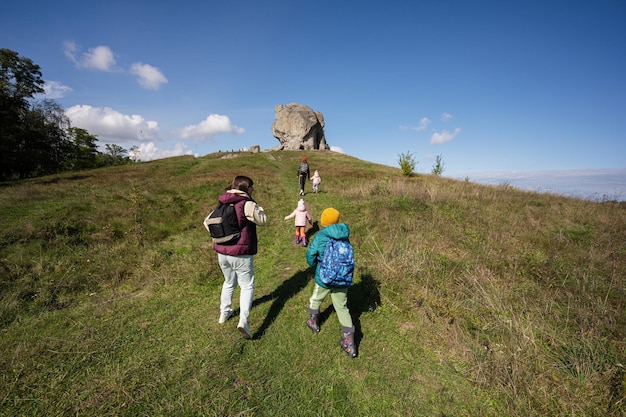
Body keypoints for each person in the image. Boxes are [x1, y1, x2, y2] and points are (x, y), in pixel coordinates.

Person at [213, 175, 267, 340]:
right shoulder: (247, 203)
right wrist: (260, 209)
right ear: (245, 188)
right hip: (241, 253)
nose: (253, 189)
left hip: (222, 252)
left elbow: (206, 222)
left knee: (229, 282)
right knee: (247, 286)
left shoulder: (222, 201)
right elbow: (263, 220)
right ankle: (243, 320)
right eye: (251, 187)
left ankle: (224, 313)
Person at [305, 207, 357, 358]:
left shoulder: (321, 236)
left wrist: (314, 266)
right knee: (341, 307)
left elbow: (311, 254)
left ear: (323, 221)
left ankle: (313, 322)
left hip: (324, 277)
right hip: (343, 278)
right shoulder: (344, 234)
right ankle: (349, 342)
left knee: (316, 299)